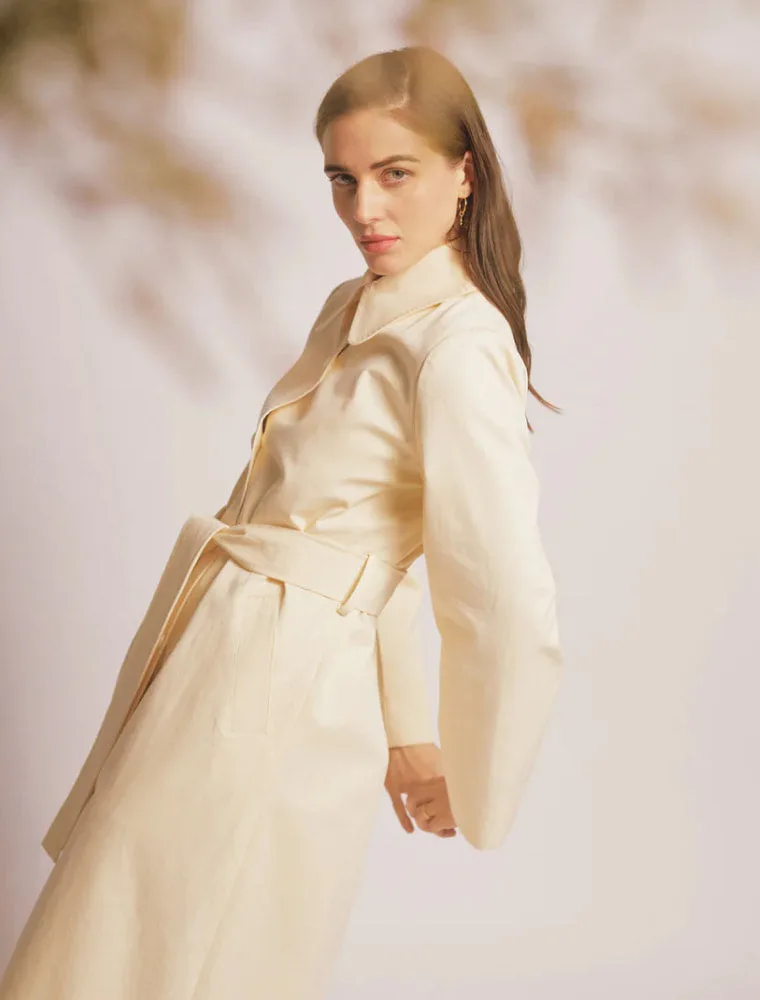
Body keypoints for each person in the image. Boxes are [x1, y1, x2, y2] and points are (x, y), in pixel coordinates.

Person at [0, 45, 564, 1000]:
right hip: (218, 653)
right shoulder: (353, 306)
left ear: (464, 173)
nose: (364, 209)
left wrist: (479, 778)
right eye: (342, 179)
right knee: (120, 928)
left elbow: (500, 592)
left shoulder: (458, 347)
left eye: (395, 174)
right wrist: (407, 730)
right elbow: (355, 538)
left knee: (192, 947)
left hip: (285, 689)